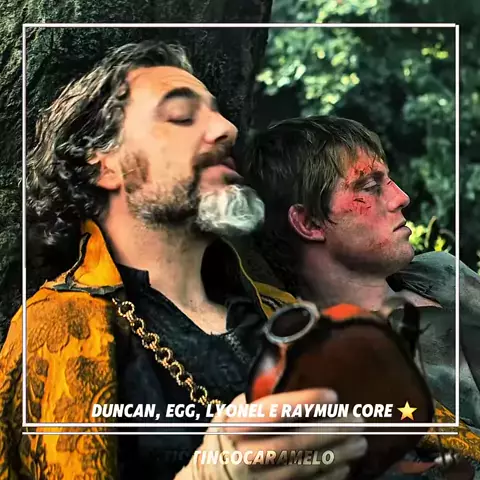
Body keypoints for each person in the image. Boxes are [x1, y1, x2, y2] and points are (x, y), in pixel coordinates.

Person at [0, 43, 369, 479]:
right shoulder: (55, 329)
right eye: (180, 116)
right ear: (104, 165)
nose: (227, 129)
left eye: (218, 113)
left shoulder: (282, 311)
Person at [241, 115, 480, 471]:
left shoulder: (441, 272)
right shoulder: (325, 370)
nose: (401, 197)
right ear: (309, 223)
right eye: (370, 187)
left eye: (388, 180)